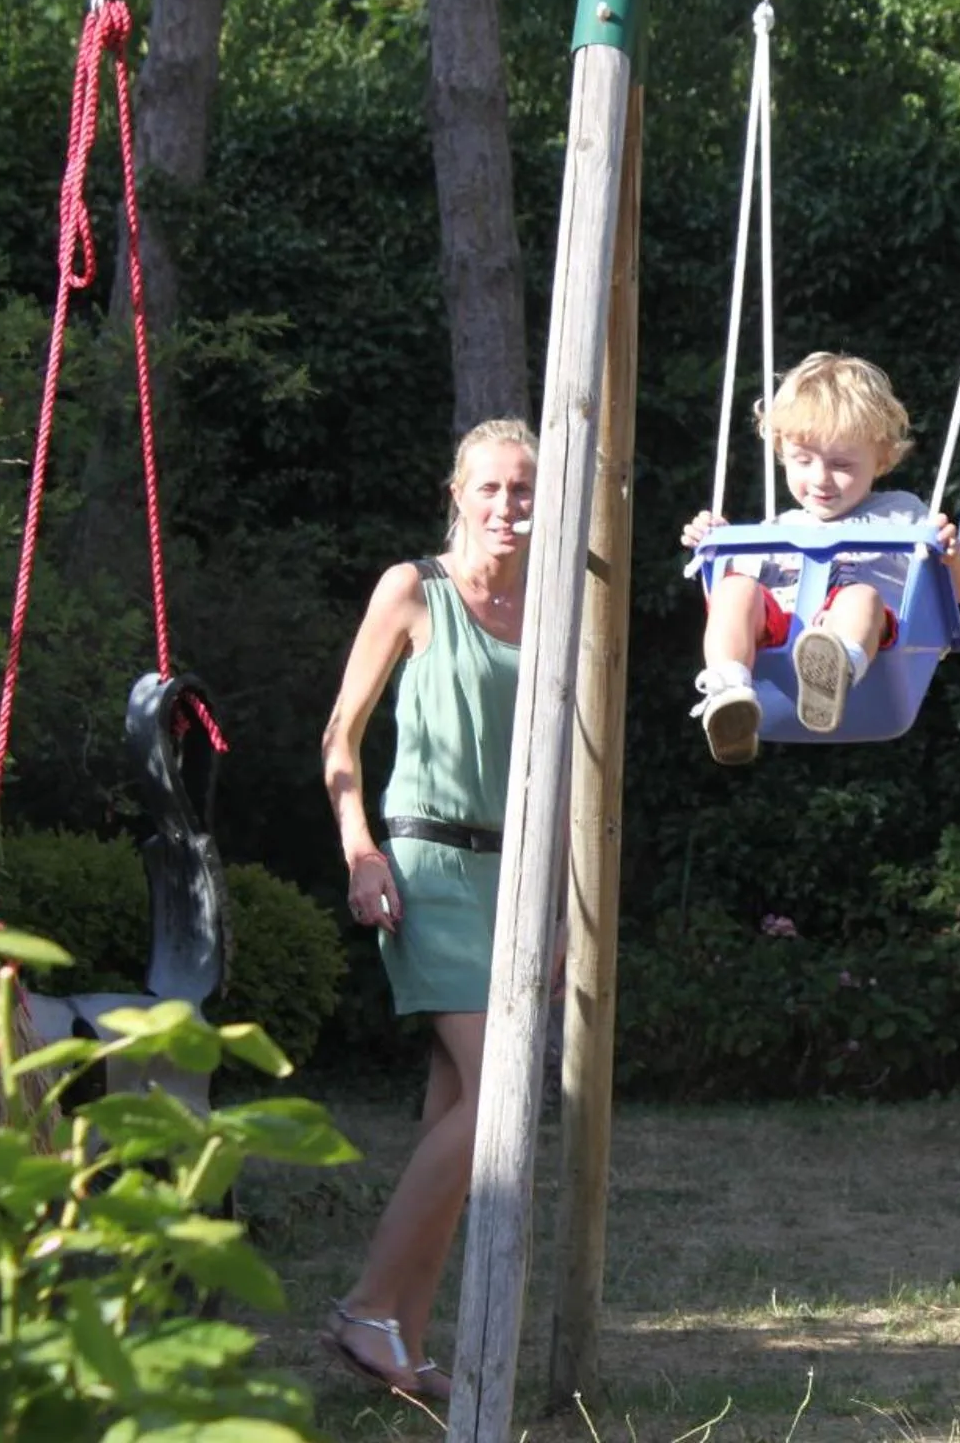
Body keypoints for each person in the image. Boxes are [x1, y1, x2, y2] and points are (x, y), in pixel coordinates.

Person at [316, 416, 537, 1402]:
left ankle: (402, 1336)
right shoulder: (415, 590)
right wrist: (359, 849)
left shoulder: (553, 605)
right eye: (489, 488)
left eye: (525, 489)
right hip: (424, 866)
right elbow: (339, 736)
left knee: (458, 1111)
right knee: (499, 1104)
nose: (507, 506)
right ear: (457, 494)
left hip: (513, 878)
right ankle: (366, 1304)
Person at [679, 351, 960, 765]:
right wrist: (714, 541)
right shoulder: (774, 530)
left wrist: (951, 557)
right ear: (783, 452)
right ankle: (730, 692)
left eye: (841, 464)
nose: (820, 478)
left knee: (860, 596)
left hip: (871, 646)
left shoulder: (901, 512)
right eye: (803, 460)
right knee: (733, 589)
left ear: (881, 459)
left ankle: (832, 671)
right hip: (781, 639)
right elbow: (735, 596)